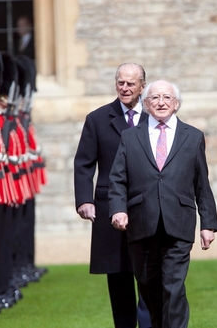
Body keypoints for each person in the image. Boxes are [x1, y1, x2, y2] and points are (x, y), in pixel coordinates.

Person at [109, 80, 217, 328]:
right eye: (155, 98)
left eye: (167, 98)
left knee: (174, 288)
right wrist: (118, 209)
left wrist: (208, 224)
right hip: (141, 225)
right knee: (149, 289)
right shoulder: (129, 136)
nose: (161, 102)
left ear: (176, 104)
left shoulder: (193, 137)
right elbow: (117, 179)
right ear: (146, 104)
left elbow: (202, 183)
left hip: (178, 223)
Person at [73, 63, 151, 328]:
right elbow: (84, 163)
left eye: (130, 83)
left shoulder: (154, 118)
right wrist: (85, 199)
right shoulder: (97, 119)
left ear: (142, 86)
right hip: (109, 207)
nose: (124, 88)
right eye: (120, 82)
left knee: (149, 274)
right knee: (118, 277)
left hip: (147, 206)